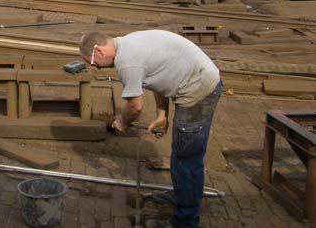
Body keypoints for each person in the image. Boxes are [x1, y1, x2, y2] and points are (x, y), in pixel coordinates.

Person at [79, 29, 222, 228]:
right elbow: (158, 79)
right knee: (182, 156)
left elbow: (135, 107)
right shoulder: (127, 43)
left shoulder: (127, 62)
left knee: (186, 160)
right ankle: (183, 198)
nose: (96, 68)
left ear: (99, 51)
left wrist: (123, 122)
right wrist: (162, 115)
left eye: (93, 63)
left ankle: (185, 221)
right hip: (198, 80)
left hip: (199, 89)